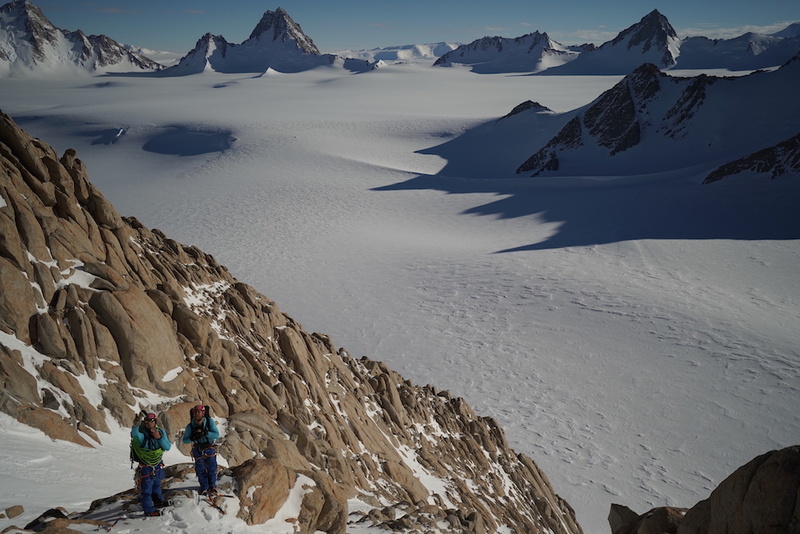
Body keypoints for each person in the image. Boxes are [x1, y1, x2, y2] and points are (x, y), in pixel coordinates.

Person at [130, 412, 171, 517]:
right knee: (147, 489)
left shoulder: (160, 432)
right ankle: (148, 510)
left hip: (157, 464)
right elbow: (135, 434)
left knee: (157, 484)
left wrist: (159, 438)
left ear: (155, 422)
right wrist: (135, 424)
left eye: (151, 421)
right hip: (146, 466)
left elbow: (167, 447)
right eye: (147, 421)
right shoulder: (141, 433)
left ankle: (158, 501)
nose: (149, 423)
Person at [182, 405, 221, 496]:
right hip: (198, 449)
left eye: (198, 412)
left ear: (203, 413)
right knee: (200, 469)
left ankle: (212, 486)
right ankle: (204, 487)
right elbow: (185, 440)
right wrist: (193, 437)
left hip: (208, 448)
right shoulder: (190, 426)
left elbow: (216, 435)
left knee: (211, 468)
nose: (196, 414)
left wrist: (206, 433)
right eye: (195, 412)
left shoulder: (209, 422)